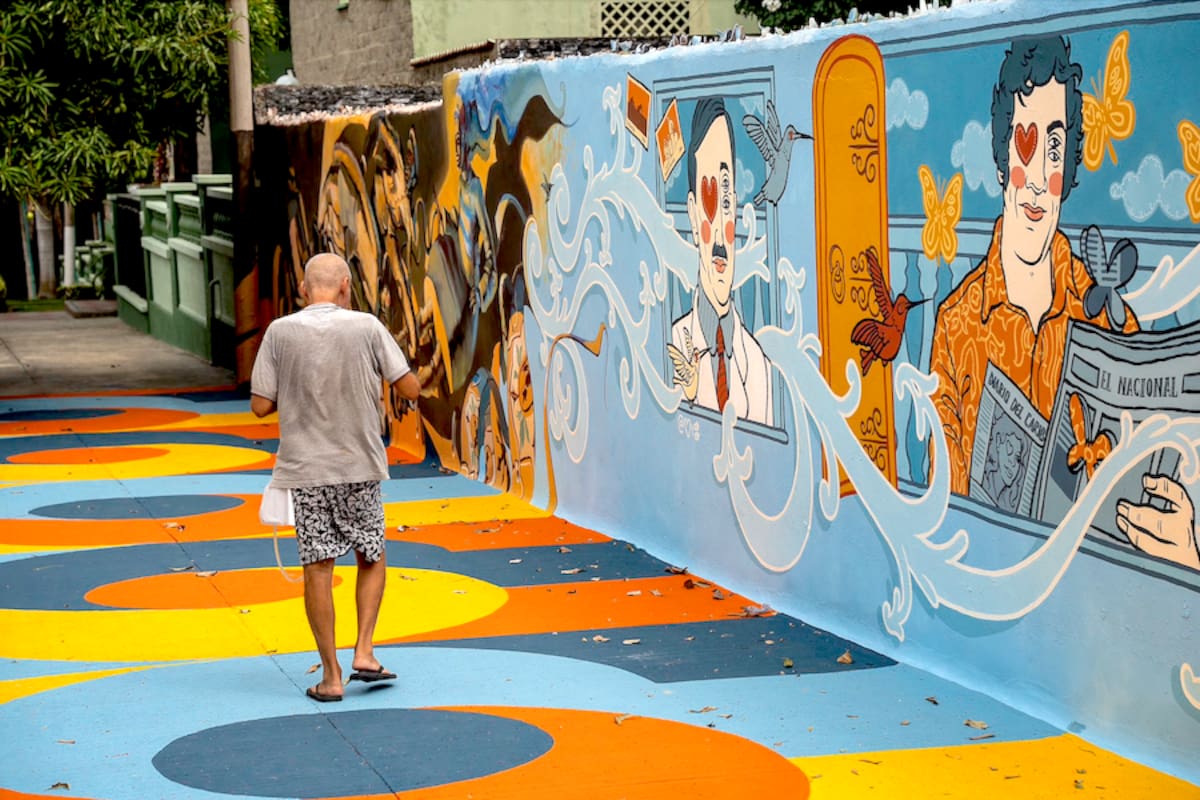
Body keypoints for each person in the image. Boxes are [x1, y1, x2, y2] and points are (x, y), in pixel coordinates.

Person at [930, 35, 1138, 495]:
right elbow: (944, 496)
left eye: (1055, 149)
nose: (1041, 179)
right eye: (1027, 145)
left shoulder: (1101, 310)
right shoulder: (958, 324)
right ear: (1003, 159)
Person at [250, 253, 421, 701]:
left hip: (306, 469)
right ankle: (364, 650)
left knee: (318, 567)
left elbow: (260, 405)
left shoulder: (279, 332)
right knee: (372, 553)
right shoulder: (367, 326)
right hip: (359, 464)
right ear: (345, 285)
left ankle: (330, 678)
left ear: (305, 289)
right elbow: (409, 388)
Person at [667, 97, 773, 425]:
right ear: (692, 211)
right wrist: (690, 395)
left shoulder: (756, 362)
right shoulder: (674, 341)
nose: (718, 230)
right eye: (710, 197)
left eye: (726, 199)